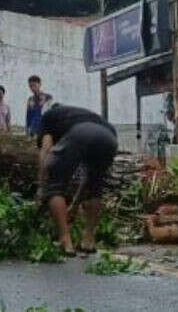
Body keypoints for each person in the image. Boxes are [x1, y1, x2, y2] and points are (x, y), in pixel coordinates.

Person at [36, 103, 118, 256]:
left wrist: (42, 185)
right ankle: (88, 240)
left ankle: (65, 241)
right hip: (109, 137)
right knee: (95, 187)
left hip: (80, 132)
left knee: (55, 185)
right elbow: (86, 179)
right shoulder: (80, 112)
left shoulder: (48, 117)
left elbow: (45, 149)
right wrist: (74, 205)